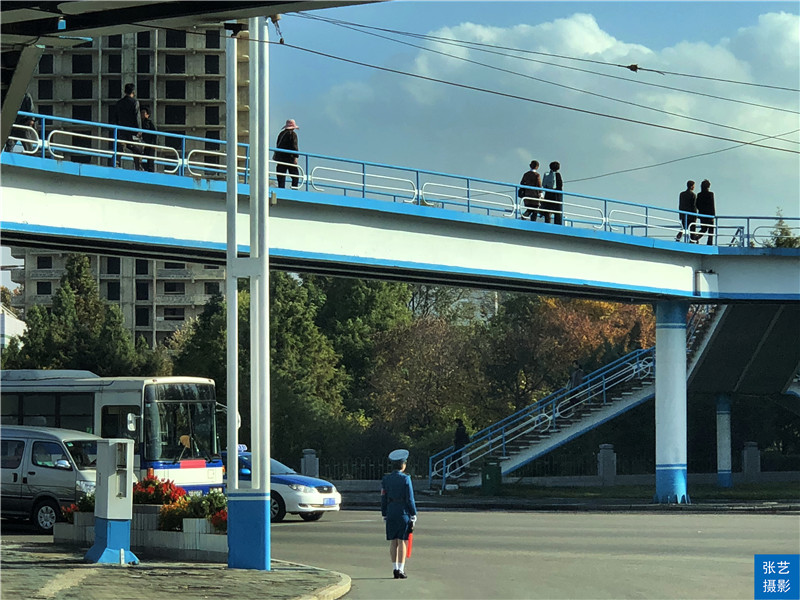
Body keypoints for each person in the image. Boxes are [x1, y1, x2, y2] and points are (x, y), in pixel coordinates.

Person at [381, 449, 417, 579]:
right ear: (403, 465)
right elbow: (410, 499)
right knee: (402, 541)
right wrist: (413, 513)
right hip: (403, 512)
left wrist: (384, 513)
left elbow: (383, 497)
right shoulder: (406, 479)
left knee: (393, 541)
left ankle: (394, 568)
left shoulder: (386, 479)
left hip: (390, 511)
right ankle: (401, 569)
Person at [112, 83, 142, 170]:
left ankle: (115, 164)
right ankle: (138, 167)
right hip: (132, 131)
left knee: (120, 148)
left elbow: (115, 117)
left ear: (124, 91)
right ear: (133, 92)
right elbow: (137, 117)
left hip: (121, 129)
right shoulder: (135, 102)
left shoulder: (119, 103)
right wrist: (139, 130)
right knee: (137, 149)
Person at [273, 118, 300, 188]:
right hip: (289, 157)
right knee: (295, 175)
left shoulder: (281, 134)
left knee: (281, 175)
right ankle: (294, 188)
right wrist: (296, 157)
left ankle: (281, 188)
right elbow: (294, 146)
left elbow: (277, 144)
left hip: (280, 157)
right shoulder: (293, 134)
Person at [695, 179, 716, 246]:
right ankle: (709, 243)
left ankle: (695, 238)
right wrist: (713, 215)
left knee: (703, 229)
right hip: (709, 215)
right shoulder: (710, 194)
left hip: (702, 215)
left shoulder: (699, 194)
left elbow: (697, 204)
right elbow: (712, 205)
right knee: (711, 230)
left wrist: (701, 211)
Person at [140, 106, 157, 173]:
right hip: (145, 143)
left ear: (148, 114)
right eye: (141, 113)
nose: (142, 114)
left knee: (150, 158)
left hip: (150, 143)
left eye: (143, 112)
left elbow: (154, 133)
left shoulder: (149, 123)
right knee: (145, 157)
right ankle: (145, 169)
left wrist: (154, 144)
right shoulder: (140, 122)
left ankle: (150, 171)